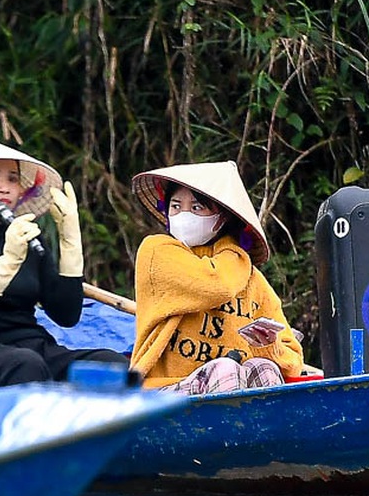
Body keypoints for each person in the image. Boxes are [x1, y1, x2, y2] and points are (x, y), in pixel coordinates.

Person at [0, 138, 127, 392]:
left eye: (12, 179)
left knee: (112, 364)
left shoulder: (28, 235)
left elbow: (66, 314)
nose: (3, 188)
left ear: (22, 189)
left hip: (36, 349)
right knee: (26, 366)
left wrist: (71, 243)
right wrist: (7, 264)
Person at [128, 161, 304, 393]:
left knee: (262, 368)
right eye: (176, 206)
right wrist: (236, 251)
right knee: (224, 369)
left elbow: (293, 363)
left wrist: (268, 347)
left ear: (222, 219)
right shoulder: (157, 252)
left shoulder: (251, 278)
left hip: (234, 393)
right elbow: (215, 285)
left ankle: (269, 430)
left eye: (197, 207)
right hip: (162, 395)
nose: (184, 215)